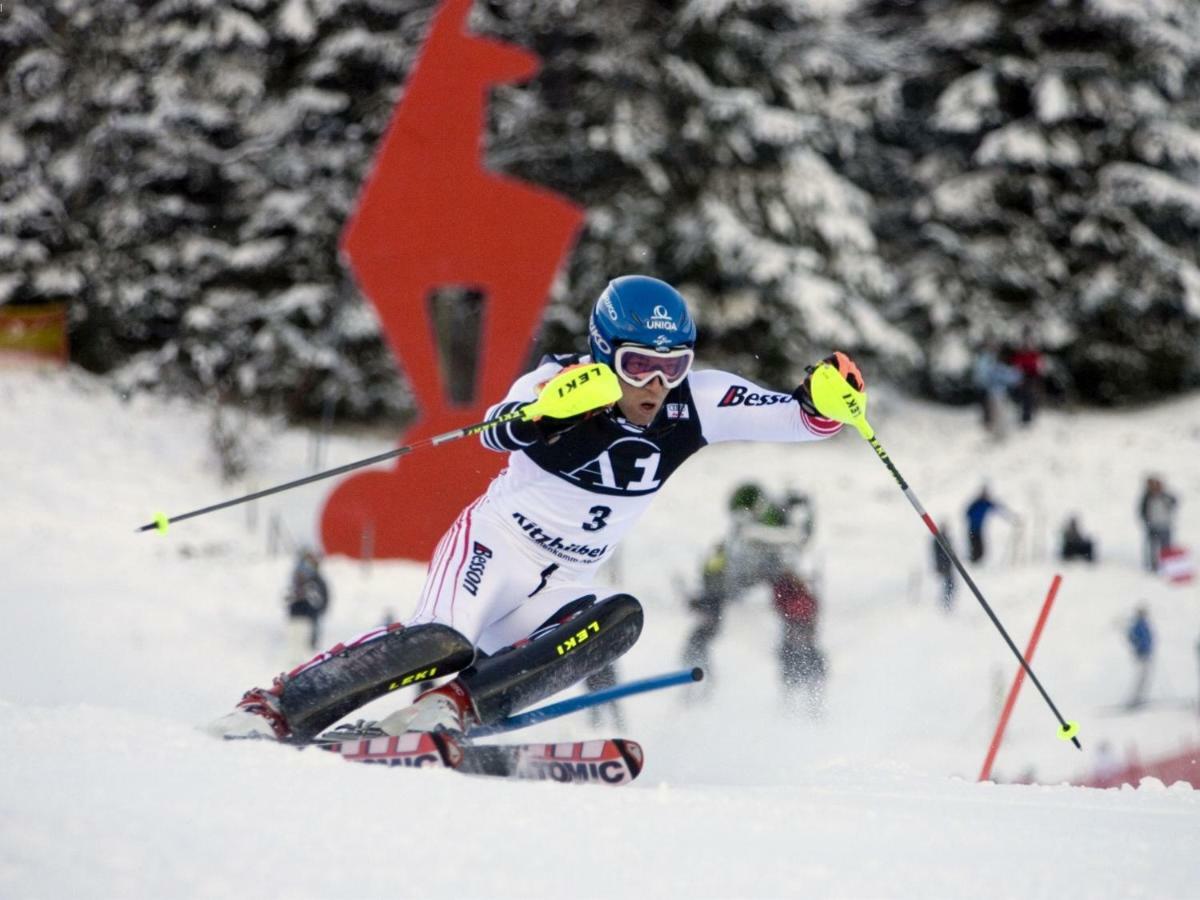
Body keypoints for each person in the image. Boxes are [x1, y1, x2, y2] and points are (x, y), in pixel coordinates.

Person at [212, 275, 863, 743]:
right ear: (605, 350)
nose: (656, 384)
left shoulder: (699, 399)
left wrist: (826, 400)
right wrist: (546, 413)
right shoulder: (562, 380)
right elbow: (497, 430)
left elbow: (802, 422)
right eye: (638, 365)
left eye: (673, 364)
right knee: (438, 642)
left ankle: (449, 711)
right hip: (494, 549)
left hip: (563, 584)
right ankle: (275, 705)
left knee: (618, 620)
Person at [772, 571, 826, 716]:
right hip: (798, 630)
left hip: (799, 631)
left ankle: (809, 706)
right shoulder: (796, 596)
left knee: (805, 672)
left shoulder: (795, 597)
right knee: (797, 671)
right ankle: (795, 706)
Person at [284, 549, 330, 659]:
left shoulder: (315, 580)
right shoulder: (298, 578)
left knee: (305, 645)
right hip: (298, 615)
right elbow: (288, 596)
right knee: (296, 643)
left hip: (308, 615)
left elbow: (322, 597)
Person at [971, 341, 1021, 440]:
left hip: (1000, 393)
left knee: (1001, 413)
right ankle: (996, 434)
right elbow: (983, 377)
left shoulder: (1000, 367)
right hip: (993, 393)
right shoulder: (991, 364)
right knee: (995, 413)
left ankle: (1001, 434)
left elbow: (1014, 378)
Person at [1138, 476, 1178, 573]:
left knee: (1166, 547)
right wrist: (1146, 522)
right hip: (1152, 526)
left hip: (1165, 526)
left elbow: (1174, 502)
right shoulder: (1147, 497)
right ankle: (1153, 566)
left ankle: (1167, 565)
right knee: (1152, 547)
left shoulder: (1165, 496)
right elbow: (1142, 511)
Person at [1007, 327, 1045, 427]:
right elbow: (1016, 365)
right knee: (1023, 397)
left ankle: (1028, 417)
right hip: (1022, 376)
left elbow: (1039, 364)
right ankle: (1024, 417)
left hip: (1032, 376)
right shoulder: (1020, 352)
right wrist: (1017, 376)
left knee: (1030, 396)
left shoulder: (1034, 352)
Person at [965, 486, 1012, 564]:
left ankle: (978, 563)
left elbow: (998, 508)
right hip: (972, 529)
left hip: (978, 529)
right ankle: (973, 563)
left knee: (981, 549)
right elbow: (967, 513)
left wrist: (1011, 517)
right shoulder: (976, 503)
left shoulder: (986, 503)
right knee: (975, 547)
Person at [1125, 606, 1154, 710]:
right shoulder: (1138, 624)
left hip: (1146, 653)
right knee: (1141, 677)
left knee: (1144, 677)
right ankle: (1135, 699)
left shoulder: (1144, 624)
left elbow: (1149, 639)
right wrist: (1138, 646)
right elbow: (1131, 636)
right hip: (1141, 654)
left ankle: (1140, 698)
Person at [931, 524, 956, 610]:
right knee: (948, 584)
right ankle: (945, 602)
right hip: (945, 566)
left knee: (950, 585)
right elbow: (938, 554)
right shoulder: (940, 540)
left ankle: (946, 602)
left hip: (946, 566)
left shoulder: (943, 539)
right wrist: (941, 565)